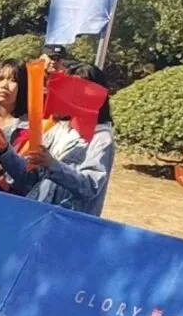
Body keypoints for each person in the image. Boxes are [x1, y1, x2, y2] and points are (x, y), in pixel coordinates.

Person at [22, 63, 115, 216]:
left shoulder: (101, 138)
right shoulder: (59, 128)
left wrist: (52, 164)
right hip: (40, 212)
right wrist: (4, 151)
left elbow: (90, 187)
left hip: (68, 220)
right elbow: (31, 174)